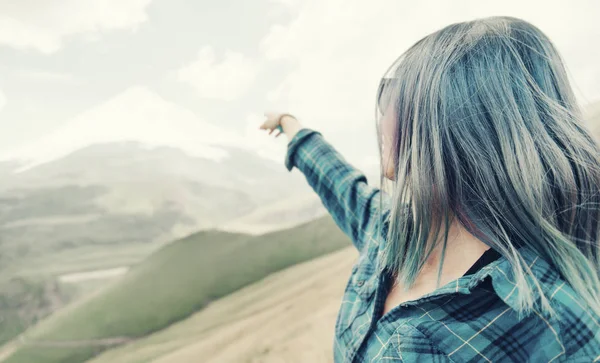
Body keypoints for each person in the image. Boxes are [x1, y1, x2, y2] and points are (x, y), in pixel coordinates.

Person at [259, 16, 600, 362]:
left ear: (448, 118)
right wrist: (290, 125)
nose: (381, 112)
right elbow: (340, 184)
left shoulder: (556, 322)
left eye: (395, 91)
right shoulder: (392, 234)